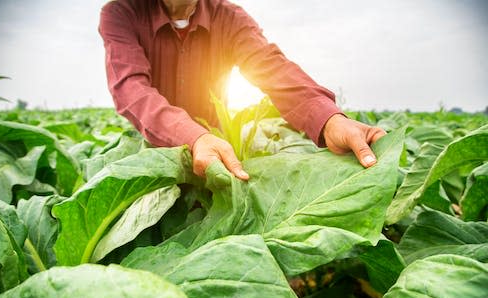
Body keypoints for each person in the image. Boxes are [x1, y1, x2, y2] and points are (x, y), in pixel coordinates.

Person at [99, 0, 386, 181]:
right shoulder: (122, 13)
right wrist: (192, 137)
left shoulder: (229, 17)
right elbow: (131, 89)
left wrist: (330, 120)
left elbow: (271, 67)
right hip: (153, 149)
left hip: (219, 150)